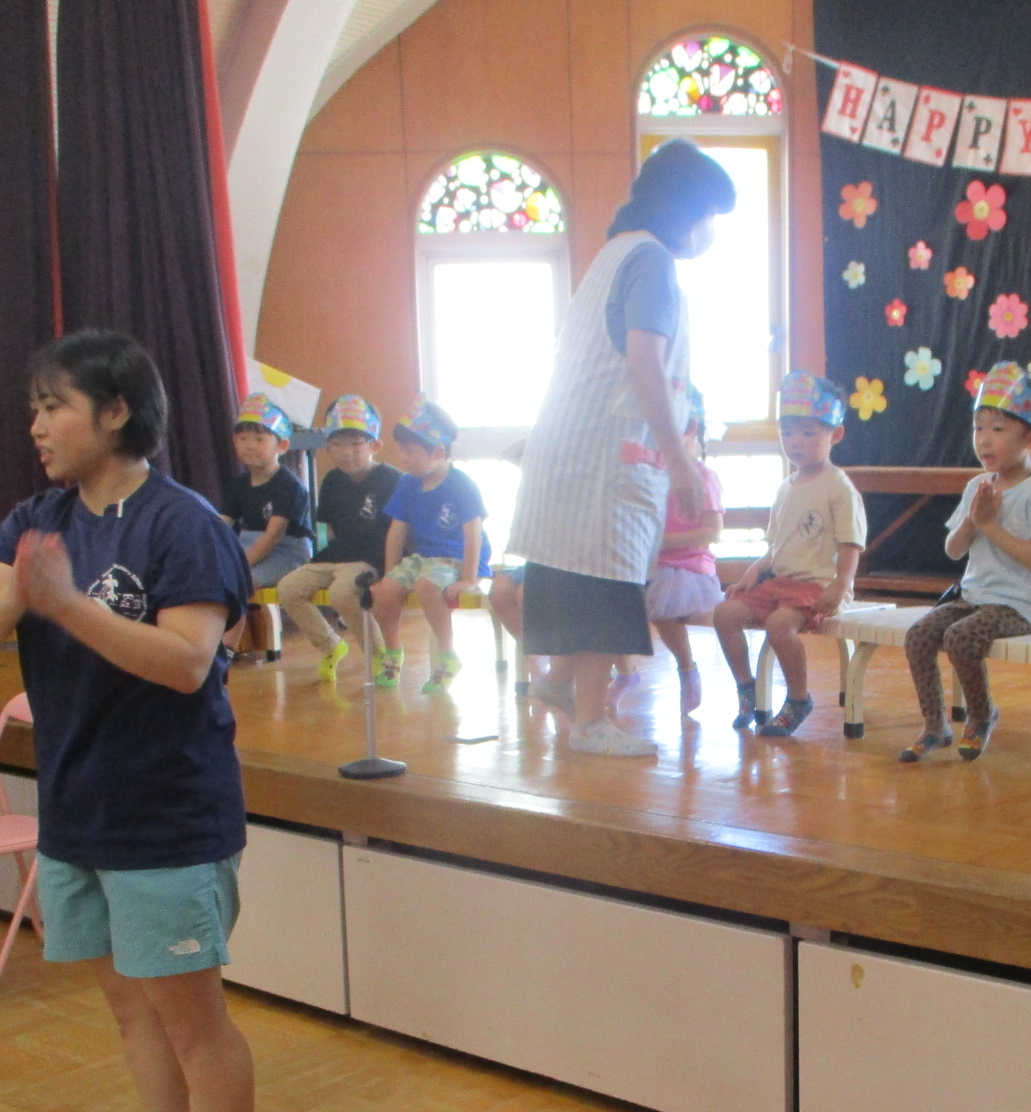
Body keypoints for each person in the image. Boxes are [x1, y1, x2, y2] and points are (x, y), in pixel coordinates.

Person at [0, 329, 266, 1112]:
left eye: (53, 405)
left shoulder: (184, 523)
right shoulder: (37, 518)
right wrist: (27, 590)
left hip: (167, 810)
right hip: (77, 806)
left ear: (116, 411)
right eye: (35, 407)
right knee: (131, 1005)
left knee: (192, 1015)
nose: (36, 425)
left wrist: (64, 603)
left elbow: (185, 662)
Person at [505, 137, 736, 756]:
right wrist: (682, 462)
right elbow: (644, 363)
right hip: (605, 463)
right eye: (710, 215)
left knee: (578, 576)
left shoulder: (613, 254)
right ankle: (589, 722)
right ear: (685, 210)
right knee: (605, 585)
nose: (710, 231)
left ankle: (559, 684)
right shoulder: (652, 261)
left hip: (575, 458)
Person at [900, 363, 1031, 762]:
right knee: (918, 635)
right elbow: (954, 550)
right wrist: (973, 520)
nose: (984, 440)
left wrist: (989, 525)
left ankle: (981, 715)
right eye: (978, 428)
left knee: (961, 638)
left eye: (998, 429)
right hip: (973, 597)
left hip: (1020, 606)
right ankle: (935, 726)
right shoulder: (978, 485)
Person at [712, 372, 866, 738]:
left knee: (780, 624)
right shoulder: (786, 487)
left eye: (807, 433)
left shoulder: (839, 487)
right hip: (780, 581)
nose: (795, 441)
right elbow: (776, 546)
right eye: (788, 432)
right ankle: (747, 688)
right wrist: (754, 570)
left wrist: (839, 586)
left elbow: (851, 544)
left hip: (817, 585)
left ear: (835, 434)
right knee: (725, 613)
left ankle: (798, 698)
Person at [275, 395, 402, 682]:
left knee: (342, 592)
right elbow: (329, 528)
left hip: (371, 558)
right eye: (338, 444)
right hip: (336, 555)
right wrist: (329, 561)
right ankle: (330, 645)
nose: (347, 452)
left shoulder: (391, 479)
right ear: (328, 446)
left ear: (374, 445)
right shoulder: (332, 480)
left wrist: (391, 572)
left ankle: (378, 654)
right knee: (288, 588)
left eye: (356, 443)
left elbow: (400, 531)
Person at [372, 397, 488, 693]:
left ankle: (448, 656)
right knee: (385, 591)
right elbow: (396, 532)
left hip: (455, 558)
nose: (403, 458)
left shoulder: (461, 484)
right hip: (423, 558)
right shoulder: (407, 483)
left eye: (410, 451)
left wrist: (468, 579)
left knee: (425, 586)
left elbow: (473, 535)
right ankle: (393, 653)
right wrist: (389, 573)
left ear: (437, 451)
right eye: (401, 450)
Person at [644, 384, 725, 713]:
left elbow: (712, 531)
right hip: (650, 562)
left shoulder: (702, 477)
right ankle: (622, 672)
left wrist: (664, 543)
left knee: (664, 602)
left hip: (689, 566)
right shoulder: (650, 476)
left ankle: (686, 666)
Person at [220, 393, 314, 589]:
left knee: (244, 581)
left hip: (287, 552)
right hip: (249, 546)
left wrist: (239, 566)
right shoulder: (239, 484)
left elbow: (274, 535)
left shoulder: (289, 486)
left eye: (258, 439)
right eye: (243, 438)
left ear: (282, 445)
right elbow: (221, 524)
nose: (249, 446)